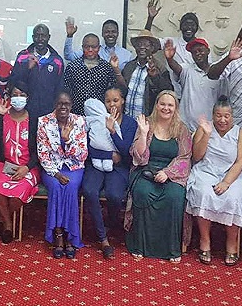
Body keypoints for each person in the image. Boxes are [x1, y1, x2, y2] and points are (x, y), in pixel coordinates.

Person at [125, 90, 193, 262]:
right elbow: (139, 157)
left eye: (170, 105)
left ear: (175, 108)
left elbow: (185, 158)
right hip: (145, 170)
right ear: (156, 105)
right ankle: (139, 245)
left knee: (175, 196)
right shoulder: (147, 123)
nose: (166, 108)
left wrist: (168, 173)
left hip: (172, 174)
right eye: (162, 104)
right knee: (142, 192)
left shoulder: (182, 129)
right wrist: (142, 133)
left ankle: (171, 249)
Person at [185, 97, 242, 266]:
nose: (222, 120)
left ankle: (231, 243)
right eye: (218, 116)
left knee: (233, 196)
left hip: (232, 173)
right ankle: (205, 241)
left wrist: (227, 182)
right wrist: (206, 134)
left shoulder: (240, 132)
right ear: (213, 115)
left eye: (226, 116)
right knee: (204, 192)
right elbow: (196, 157)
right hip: (206, 170)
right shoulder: (205, 128)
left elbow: (241, 161)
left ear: (232, 117)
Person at [81, 90, 137, 259]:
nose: (112, 104)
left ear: (123, 101)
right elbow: (87, 147)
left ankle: (110, 223)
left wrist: (113, 131)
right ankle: (103, 238)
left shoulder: (129, 123)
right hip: (95, 164)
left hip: (119, 168)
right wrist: (108, 156)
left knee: (114, 195)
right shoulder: (97, 119)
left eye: (116, 100)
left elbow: (126, 153)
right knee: (90, 191)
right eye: (108, 101)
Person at [37, 91, 88, 259]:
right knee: (57, 187)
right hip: (52, 168)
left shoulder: (79, 121)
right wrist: (56, 174)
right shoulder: (44, 122)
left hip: (74, 167)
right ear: (55, 105)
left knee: (71, 187)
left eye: (66, 104)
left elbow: (82, 154)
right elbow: (42, 154)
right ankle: (58, 235)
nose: (63, 107)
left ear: (71, 105)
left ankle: (71, 236)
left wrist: (67, 141)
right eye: (60, 103)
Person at [0, 83, 40, 244]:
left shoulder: (35, 119)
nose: (18, 98)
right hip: (4, 165)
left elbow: (40, 149)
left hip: (28, 166)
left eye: (22, 95)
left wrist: (27, 167)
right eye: (15, 94)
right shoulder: (1, 116)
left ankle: (2, 219)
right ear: (9, 97)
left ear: (27, 98)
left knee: (18, 194)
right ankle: (8, 225)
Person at [163, 38, 220, 132]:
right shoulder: (187, 69)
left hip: (208, 129)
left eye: (200, 50)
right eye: (194, 52)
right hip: (185, 127)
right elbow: (177, 68)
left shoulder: (217, 72)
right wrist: (169, 59)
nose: (198, 53)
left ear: (208, 51)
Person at [9, 24, 64, 118]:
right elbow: (14, 83)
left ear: (48, 37)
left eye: (43, 36)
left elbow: (59, 88)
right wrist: (27, 68)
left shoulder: (57, 61)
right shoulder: (23, 57)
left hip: (48, 112)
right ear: (32, 37)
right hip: (25, 111)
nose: (40, 39)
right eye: (37, 36)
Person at [118, 29, 172, 118]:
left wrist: (155, 77)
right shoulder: (129, 66)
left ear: (152, 48)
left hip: (147, 121)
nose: (142, 47)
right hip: (127, 119)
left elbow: (167, 92)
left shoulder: (160, 68)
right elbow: (122, 90)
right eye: (139, 45)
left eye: (146, 45)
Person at [62, 34, 116, 115]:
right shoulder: (72, 66)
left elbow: (111, 92)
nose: (90, 50)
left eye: (94, 47)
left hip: (98, 115)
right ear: (82, 47)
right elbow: (66, 91)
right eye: (87, 47)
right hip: (76, 115)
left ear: (99, 48)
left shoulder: (107, 68)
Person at [64, 19, 132, 70]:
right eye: (107, 32)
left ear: (118, 33)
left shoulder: (127, 55)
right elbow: (69, 56)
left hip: (117, 88)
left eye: (113, 32)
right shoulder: (93, 50)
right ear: (102, 33)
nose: (110, 34)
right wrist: (70, 36)